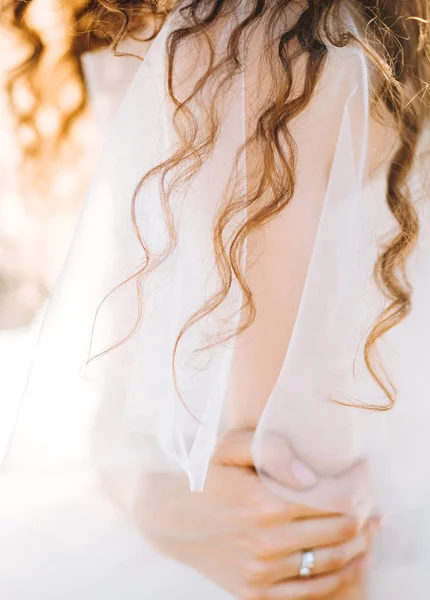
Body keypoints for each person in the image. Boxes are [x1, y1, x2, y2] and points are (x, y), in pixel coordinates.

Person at [1, 0, 429, 598]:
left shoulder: (270, 49)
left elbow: (303, 521)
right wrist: (153, 499)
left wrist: (159, 498)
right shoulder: (141, 19)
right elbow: (119, 384)